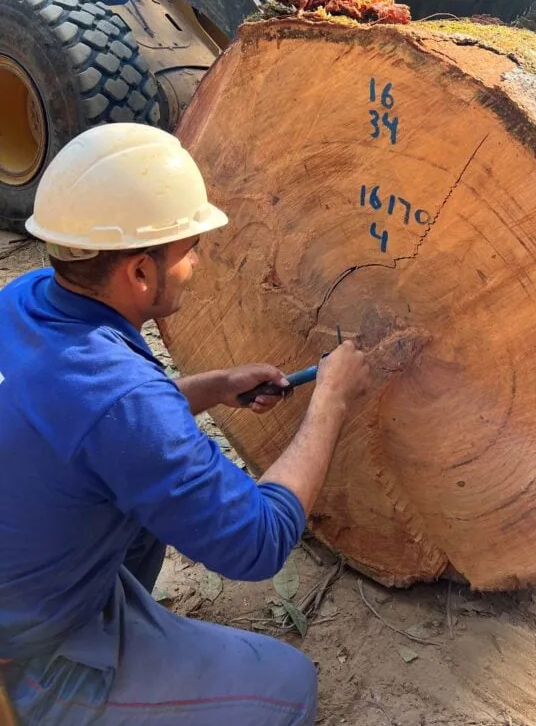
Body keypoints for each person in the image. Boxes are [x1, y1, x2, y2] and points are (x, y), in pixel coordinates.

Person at [0, 123, 370, 725]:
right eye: (188, 249)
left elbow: (91, 419)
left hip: (20, 571)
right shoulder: (123, 403)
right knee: (289, 688)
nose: (195, 263)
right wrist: (330, 400)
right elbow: (260, 541)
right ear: (140, 273)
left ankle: (130, 649)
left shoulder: (26, 299)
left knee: (147, 517)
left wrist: (209, 388)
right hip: (24, 660)